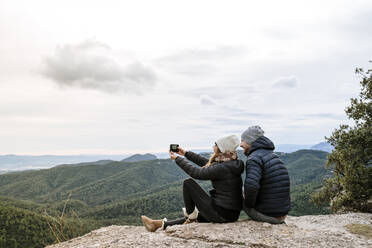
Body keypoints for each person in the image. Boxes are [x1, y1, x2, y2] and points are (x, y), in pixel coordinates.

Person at [141, 135, 244, 232]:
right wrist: (185, 153)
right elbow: (207, 163)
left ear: (222, 149)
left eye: (216, 145)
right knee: (198, 216)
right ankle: (158, 225)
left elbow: (196, 173)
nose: (213, 146)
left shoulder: (222, 167)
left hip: (221, 212)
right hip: (229, 213)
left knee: (188, 183)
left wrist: (177, 159)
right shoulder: (231, 163)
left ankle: (191, 216)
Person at [240, 125, 291, 224]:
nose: (240, 144)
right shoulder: (273, 155)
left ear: (250, 141)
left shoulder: (254, 159)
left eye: (243, 140)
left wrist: (249, 204)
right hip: (281, 214)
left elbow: (251, 187)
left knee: (236, 190)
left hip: (268, 216)